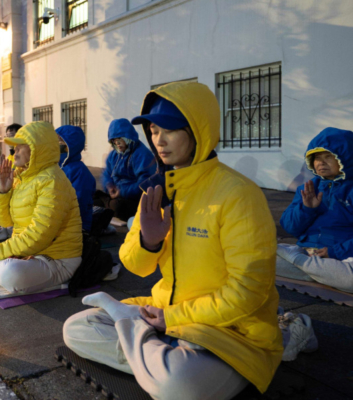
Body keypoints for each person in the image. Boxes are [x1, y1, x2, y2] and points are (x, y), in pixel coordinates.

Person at [63, 82, 288, 400]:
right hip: (163, 313)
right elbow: (134, 266)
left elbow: (247, 293)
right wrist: (149, 241)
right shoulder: (159, 189)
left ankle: (156, 352)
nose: (159, 140)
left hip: (230, 332)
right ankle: (158, 354)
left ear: (198, 130)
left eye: (169, 130)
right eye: (154, 131)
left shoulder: (238, 194)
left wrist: (172, 319)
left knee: (180, 384)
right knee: (77, 327)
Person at [0, 122, 83, 294]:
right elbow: (4, 222)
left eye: (20, 147)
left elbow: (39, 235)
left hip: (56, 259)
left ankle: (2, 271)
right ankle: (1, 270)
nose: (15, 151)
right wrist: (3, 191)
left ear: (37, 149)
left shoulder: (53, 181)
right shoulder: (22, 176)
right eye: (15, 147)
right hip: (25, 253)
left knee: (10, 273)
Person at [277, 127, 353, 293]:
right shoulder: (308, 188)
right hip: (307, 251)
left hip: (341, 257)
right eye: (317, 158)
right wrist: (307, 209)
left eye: (328, 156)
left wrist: (334, 252)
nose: (321, 162)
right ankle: (315, 271)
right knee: (253, 258)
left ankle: (298, 263)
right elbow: (289, 227)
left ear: (346, 157)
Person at [94, 118, 156, 221]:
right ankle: (108, 206)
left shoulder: (142, 154)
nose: (117, 143)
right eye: (114, 140)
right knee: (93, 196)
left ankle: (108, 207)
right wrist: (109, 186)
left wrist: (122, 192)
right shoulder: (114, 154)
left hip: (134, 199)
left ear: (128, 138)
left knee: (118, 206)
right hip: (116, 196)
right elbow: (106, 174)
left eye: (119, 139)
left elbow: (145, 183)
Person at [56, 125, 96, 232]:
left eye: (60, 140)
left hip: (75, 224)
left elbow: (79, 203)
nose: (55, 144)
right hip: (57, 219)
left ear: (69, 145)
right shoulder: (55, 167)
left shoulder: (80, 172)